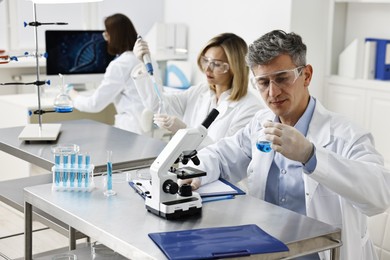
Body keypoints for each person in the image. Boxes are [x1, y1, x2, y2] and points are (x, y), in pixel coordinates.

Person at [182, 30, 390, 260]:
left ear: (307, 75)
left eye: (282, 78)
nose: (273, 92)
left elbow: (379, 197)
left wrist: (311, 155)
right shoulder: (259, 125)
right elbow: (221, 155)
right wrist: (195, 172)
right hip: (266, 251)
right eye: (263, 82)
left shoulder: (347, 135)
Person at [131, 33, 262, 146]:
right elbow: (158, 104)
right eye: (206, 60)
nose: (207, 69)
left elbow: (226, 156)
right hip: (189, 171)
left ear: (235, 68)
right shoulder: (201, 91)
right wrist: (145, 61)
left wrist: (185, 130)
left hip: (219, 175)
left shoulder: (250, 109)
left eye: (216, 64)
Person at [69, 13, 146, 134]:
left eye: (107, 34)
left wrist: (73, 95)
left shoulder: (120, 65)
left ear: (114, 37)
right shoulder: (145, 58)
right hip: (149, 131)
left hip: (131, 131)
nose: (106, 39)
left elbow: (94, 105)